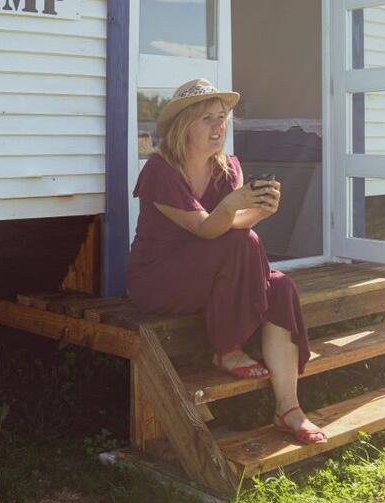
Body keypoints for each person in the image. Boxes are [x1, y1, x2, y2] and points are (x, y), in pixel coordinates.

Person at [126, 78, 325, 445]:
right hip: (160, 278)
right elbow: (206, 229)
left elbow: (237, 222)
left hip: (212, 272)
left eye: (222, 118)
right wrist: (234, 207)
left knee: (281, 286)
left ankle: (289, 408)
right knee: (241, 242)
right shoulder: (160, 171)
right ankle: (227, 349)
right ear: (184, 125)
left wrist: (261, 211)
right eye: (207, 119)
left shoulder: (228, 167)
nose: (219, 127)